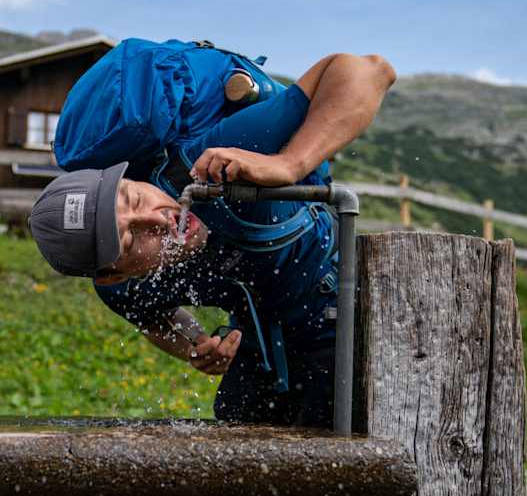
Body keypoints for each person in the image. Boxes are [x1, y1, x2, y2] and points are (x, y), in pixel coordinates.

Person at [29, 51, 396, 427]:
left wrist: (289, 163)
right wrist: (195, 344)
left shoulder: (218, 166)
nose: (157, 219)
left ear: (132, 179)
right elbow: (153, 319)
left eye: (136, 197)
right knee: (233, 426)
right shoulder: (122, 290)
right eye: (129, 240)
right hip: (263, 346)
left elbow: (368, 69)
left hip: (351, 325)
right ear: (113, 274)